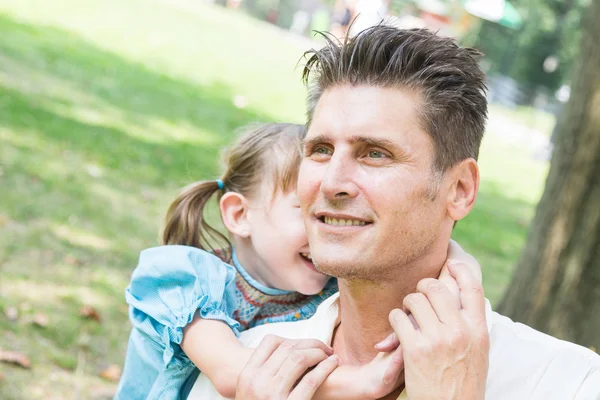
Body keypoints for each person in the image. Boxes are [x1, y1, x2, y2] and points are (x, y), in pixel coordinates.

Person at [190, 26, 600, 399]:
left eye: (375, 154)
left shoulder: (571, 383)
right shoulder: (252, 369)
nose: (332, 183)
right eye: (321, 150)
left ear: (458, 190)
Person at [115, 122, 481, 400]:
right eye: (305, 212)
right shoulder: (185, 281)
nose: (325, 230)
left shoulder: (331, 293)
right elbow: (232, 371)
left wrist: (464, 272)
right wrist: (362, 382)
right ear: (240, 215)